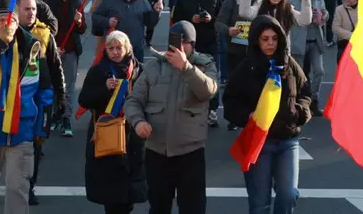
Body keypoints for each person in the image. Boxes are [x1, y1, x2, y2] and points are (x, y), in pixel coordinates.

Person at [0, 0, 54, 214]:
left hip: (21, 131)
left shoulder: (31, 45)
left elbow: (45, 89)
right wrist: (0, 44)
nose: (6, 25)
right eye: (0, 21)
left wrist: (42, 125)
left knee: (18, 190)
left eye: (11, 20)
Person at [125, 21, 218, 214]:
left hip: (190, 152)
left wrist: (186, 67)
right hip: (157, 151)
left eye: (184, 42)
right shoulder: (154, 66)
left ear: (192, 44)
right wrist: (138, 121)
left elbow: (208, 91)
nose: (178, 47)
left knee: (193, 208)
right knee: (158, 206)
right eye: (174, 41)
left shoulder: (205, 65)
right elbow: (133, 101)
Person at [223, 15, 312, 214]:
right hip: (259, 142)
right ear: (256, 40)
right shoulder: (246, 68)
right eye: (265, 39)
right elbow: (229, 102)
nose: (270, 43)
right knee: (260, 204)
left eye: (274, 38)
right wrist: (247, 115)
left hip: (288, 140)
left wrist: (299, 112)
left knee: (288, 195)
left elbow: (306, 92)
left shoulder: (289, 65)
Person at [79, 31, 147, 214]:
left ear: (128, 48)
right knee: (111, 197)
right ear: (106, 50)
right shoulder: (98, 71)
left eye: (119, 48)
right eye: (111, 48)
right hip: (106, 135)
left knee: (129, 194)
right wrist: (104, 88)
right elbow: (84, 100)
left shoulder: (140, 70)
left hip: (132, 137)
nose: (116, 52)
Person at [15, 0, 65, 206]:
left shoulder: (44, 34)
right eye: (26, 9)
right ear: (17, 11)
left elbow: (55, 66)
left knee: (36, 144)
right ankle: (14, 183)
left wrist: (61, 97)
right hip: (14, 99)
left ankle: (30, 186)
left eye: (34, 9)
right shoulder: (8, 33)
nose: (31, 12)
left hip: (39, 100)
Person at [45, 0, 86, 138]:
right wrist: (53, 45)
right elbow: (44, 28)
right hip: (53, 50)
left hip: (70, 50)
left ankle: (66, 118)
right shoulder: (50, 3)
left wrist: (79, 22)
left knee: (68, 86)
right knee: (54, 86)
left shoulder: (76, 3)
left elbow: (82, 30)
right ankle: (56, 115)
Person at [93, 0, 164, 63]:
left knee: (137, 76)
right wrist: (107, 21)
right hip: (115, 51)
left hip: (136, 50)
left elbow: (150, 23)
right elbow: (96, 17)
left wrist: (157, 12)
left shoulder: (143, 2)